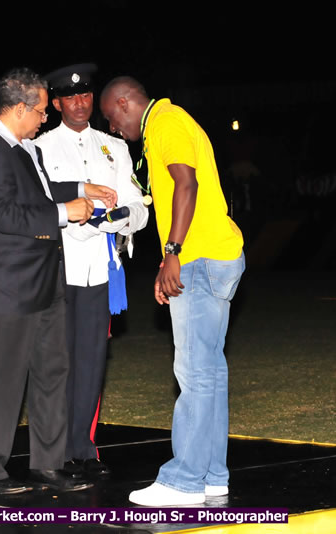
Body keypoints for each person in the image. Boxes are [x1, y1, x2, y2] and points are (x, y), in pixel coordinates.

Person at [0, 67, 116, 495]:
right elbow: (1, 214)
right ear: (18, 109)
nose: (43, 118)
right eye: (38, 110)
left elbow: (42, 187)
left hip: (47, 280)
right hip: (11, 286)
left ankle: (48, 463)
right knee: (5, 378)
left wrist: (80, 187)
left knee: (54, 370)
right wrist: (62, 213)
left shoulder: (22, 147)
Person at [99, 76, 245, 506]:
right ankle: (212, 475)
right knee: (211, 374)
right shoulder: (170, 122)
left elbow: (187, 183)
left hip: (198, 259)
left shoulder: (165, 122)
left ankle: (182, 480)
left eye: (111, 117)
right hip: (214, 256)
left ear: (125, 103)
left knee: (196, 373)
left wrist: (172, 253)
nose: (112, 128)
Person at [35, 64, 149, 478]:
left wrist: (118, 219)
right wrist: (80, 223)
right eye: (70, 97)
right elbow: (39, 208)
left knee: (92, 360)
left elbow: (140, 207)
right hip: (59, 268)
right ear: (58, 102)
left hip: (102, 269)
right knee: (56, 361)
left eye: (86, 96)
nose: (80, 103)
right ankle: (55, 450)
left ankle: (83, 447)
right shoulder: (41, 148)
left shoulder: (114, 148)